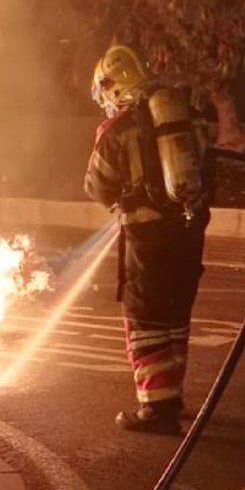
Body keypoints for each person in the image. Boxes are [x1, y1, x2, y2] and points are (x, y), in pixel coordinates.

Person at [85, 44, 212, 435]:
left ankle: (157, 408)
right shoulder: (187, 119)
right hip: (189, 234)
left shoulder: (119, 129)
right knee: (175, 316)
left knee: (144, 320)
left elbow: (96, 186)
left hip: (146, 238)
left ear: (112, 85)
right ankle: (170, 395)